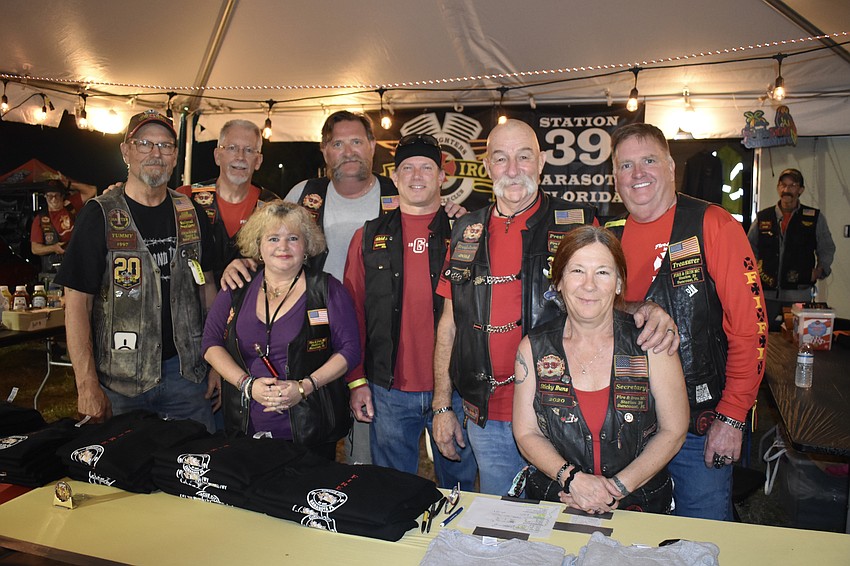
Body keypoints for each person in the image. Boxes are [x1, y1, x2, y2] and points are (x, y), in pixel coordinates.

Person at [605, 122, 767, 520]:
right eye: (626, 166)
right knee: (629, 541)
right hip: (626, 425)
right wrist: (633, 307)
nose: (637, 174)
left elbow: (752, 328)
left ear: (670, 166)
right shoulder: (606, 233)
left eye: (648, 161)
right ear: (614, 178)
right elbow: (582, 306)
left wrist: (732, 416)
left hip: (700, 427)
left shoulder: (713, 224)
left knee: (703, 540)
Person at [56, 110, 218, 431]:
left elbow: (207, 290)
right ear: (126, 151)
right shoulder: (99, 214)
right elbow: (76, 304)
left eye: (166, 146)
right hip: (119, 384)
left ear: (175, 157)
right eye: (144, 144)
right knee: (118, 476)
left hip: (186, 377)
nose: (156, 154)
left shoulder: (193, 213)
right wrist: (86, 383)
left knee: (194, 470)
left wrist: (217, 362)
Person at [513, 226, 688, 514]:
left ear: (619, 283)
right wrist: (573, 481)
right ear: (558, 281)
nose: (589, 285)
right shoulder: (533, 348)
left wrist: (616, 488)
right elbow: (526, 433)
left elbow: (674, 430)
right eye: (577, 271)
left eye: (603, 272)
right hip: (557, 500)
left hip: (638, 505)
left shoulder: (651, 342)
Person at [343, 134, 477, 488]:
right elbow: (352, 314)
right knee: (391, 490)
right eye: (407, 168)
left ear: (441, 177)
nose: (416, 175)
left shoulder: (466, 234)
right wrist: (356, 380)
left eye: (426, 167)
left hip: (454, 390)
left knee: (460, 489)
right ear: (396, 177)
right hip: (388, 390)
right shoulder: (368, 237)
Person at [203, 200, 360, 460]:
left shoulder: (327, 289)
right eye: (273, 238)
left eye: (293, 238)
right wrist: (247, 385)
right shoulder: (237, 285)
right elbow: (210, 343)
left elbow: (350, 350)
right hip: (245, 426)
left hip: (310, 429)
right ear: (259, 245)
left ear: (307, 246)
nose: (283, 247)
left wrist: (304, 387)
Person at [177, 120, 278, 285]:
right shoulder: (185, 197)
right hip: (194, 306)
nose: (240, 157)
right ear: (217, 156)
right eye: (232, 148)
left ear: (258, 160)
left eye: (249, 150)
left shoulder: (272, 206)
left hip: (249, 307)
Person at [747, 168, 835, 330]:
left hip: (799, 293)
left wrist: (820, 270)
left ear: (800, 190)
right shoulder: (763, 217)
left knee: (797, 339)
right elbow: (748, 248)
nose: (787, 190)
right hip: (766, 293)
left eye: (792, 185)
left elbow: (827, 246)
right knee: (761, 337)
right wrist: (752, 274)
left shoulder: (813, 217)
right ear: (778, 188)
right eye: (783, 185)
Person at [30, 180, 95, 274]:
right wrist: (54, 248)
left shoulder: (70, 205)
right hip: (53, 269)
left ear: (62, 195)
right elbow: (35, 249)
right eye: (50, 196)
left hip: (77, 262)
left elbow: (92, 190)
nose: (53, 199)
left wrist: (69, 184)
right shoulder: (40, 219)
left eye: (57, 195)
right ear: (45, 196)